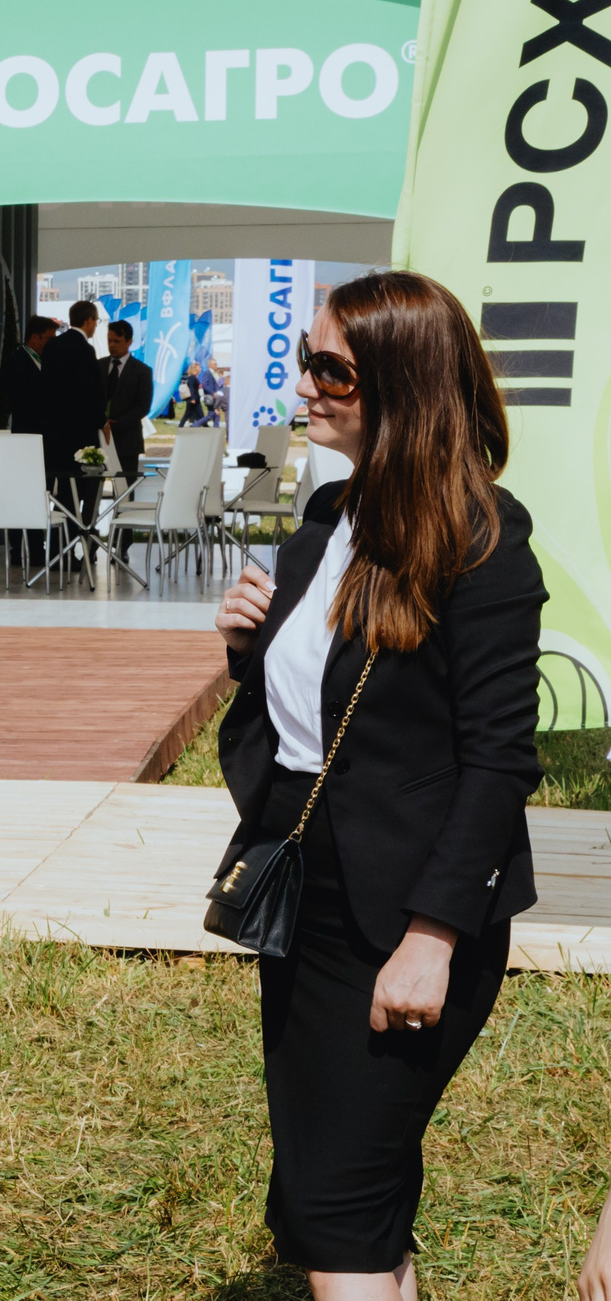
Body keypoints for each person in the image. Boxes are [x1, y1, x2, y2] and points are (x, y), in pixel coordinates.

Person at [211, 270, 541, 1299]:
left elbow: (498, 760)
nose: (302, 384)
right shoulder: (327, 513)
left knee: (331, 1208)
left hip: (404, 918)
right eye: (307, 360)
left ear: (401, 386)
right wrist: (249, 645)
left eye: (330, 370)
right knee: (350, 1184)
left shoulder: (483, 543)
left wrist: (433, 938)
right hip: (306, 891)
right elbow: (328, 696)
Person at [41, 298, 106, 519]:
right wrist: (101, 421)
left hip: (54, 432)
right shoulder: (85, 350)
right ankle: (77, 537)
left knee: (60, 489)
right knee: (80, 490)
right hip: (80, 434)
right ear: (88, 320)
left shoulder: (52, 346)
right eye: (95, 320)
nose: (96, 326)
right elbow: (92, 392)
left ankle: (60, 543)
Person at [100, 319, 153, 482]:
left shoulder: (142, 371)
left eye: (117, 341)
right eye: (109, 340)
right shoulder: (98, 366)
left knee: (126, 487)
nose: (112, 345)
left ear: (129, 342)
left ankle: (124, 509)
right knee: (91, 488)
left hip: (127, 438)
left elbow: (143, 406)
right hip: (98, 436)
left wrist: (116, 423)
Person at [0, 311, 56, 436]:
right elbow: (22, 401)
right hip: (27, 433)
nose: (53, 344)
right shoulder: (18, 362)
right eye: (50, 339)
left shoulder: (42, 361)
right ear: (35, 337)